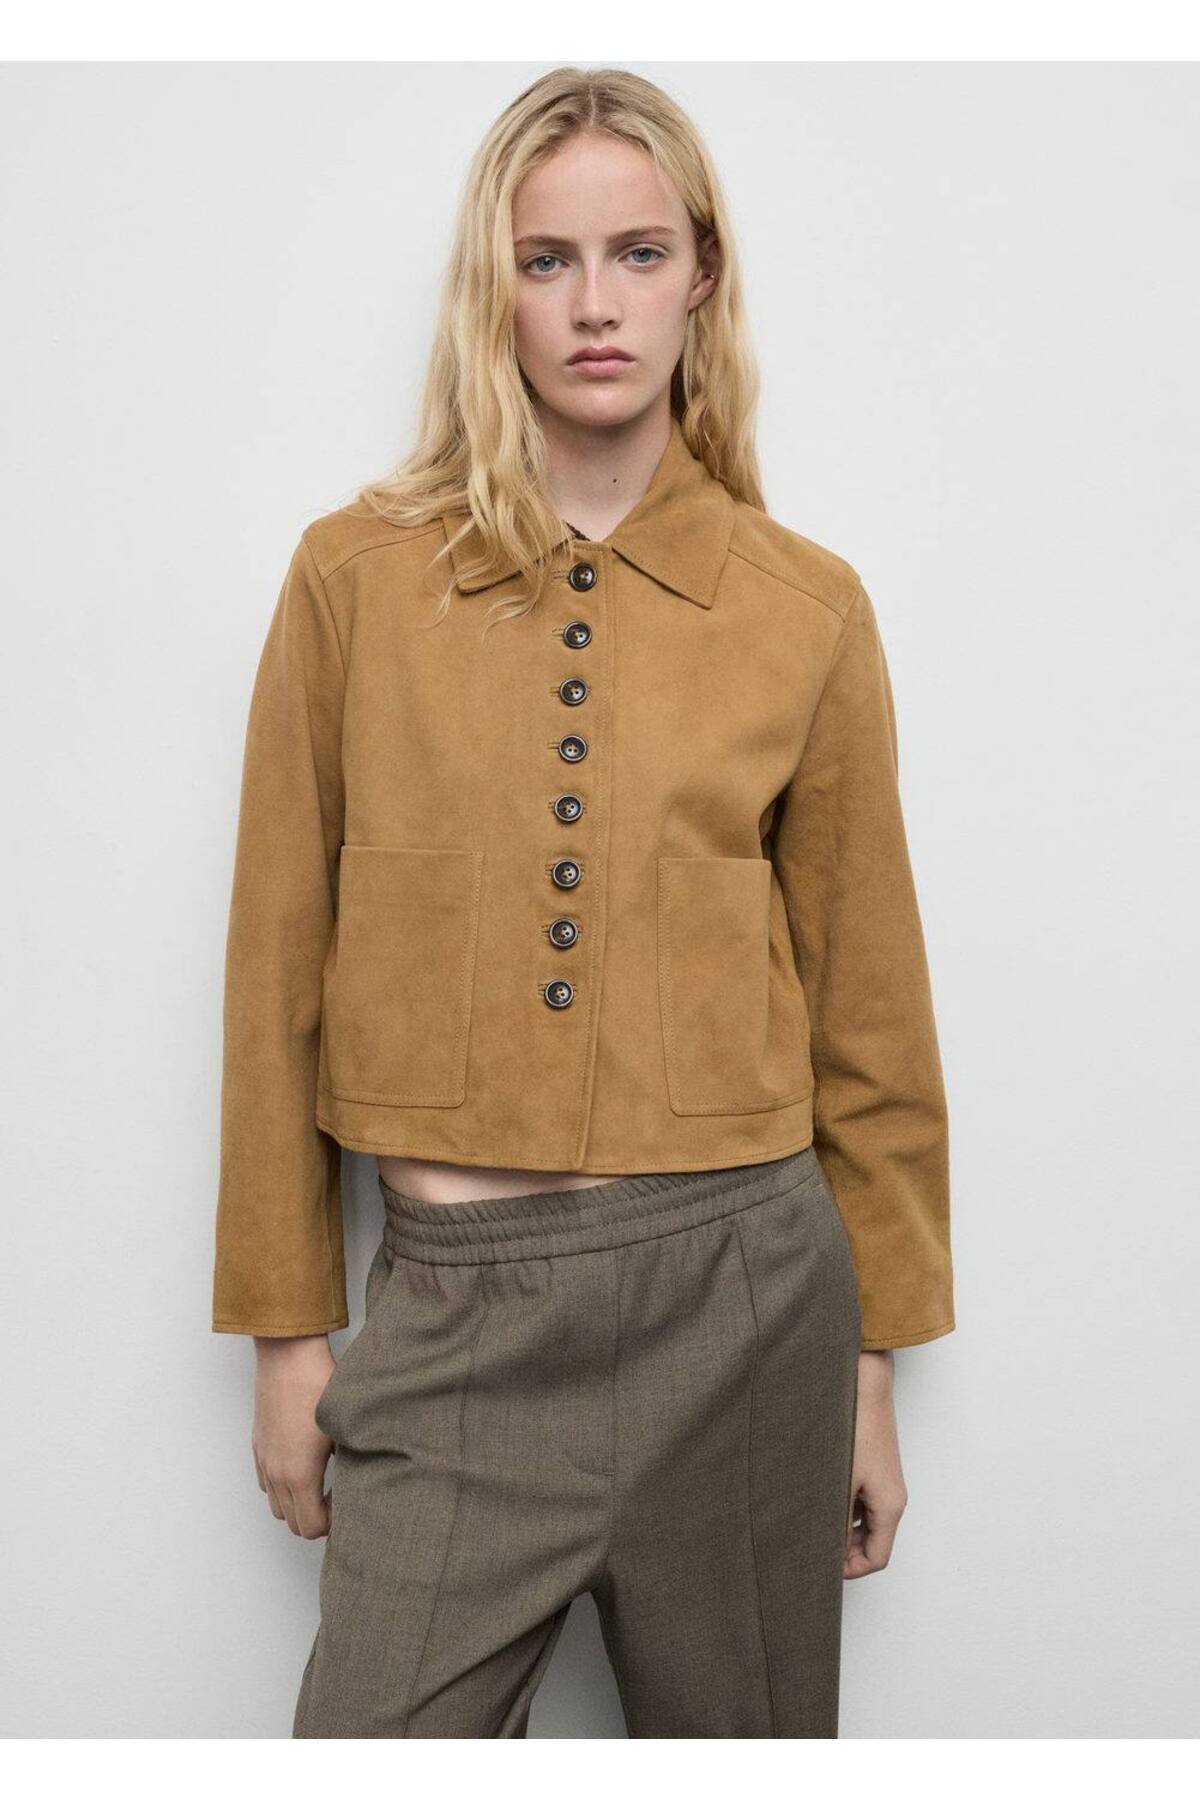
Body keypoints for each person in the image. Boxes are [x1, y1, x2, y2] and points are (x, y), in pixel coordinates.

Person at [212, 66, 955, 1739]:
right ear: (496, 289)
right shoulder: (354, 583)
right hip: (455, 1314)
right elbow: (273, 982)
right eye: (546, 261)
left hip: (746, 1306)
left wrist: (870, 1370)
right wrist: (285, 1334)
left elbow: (872, 1018)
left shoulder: (805, 609)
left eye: (638, 254)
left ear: (702, 275)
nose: (595, 305)